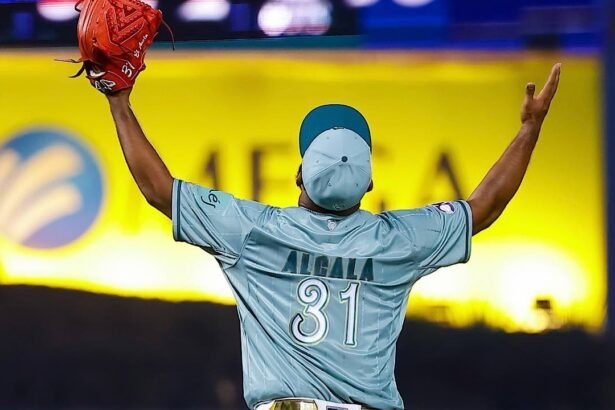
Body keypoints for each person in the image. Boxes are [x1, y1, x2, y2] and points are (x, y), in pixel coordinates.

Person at [105, 64, 560, 410]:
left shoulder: (254, 232)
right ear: (368, 184)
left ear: (299, 175)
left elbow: (158, 189)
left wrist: (119, 100)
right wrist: (529, 130)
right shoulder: (397, 241)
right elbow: (484, 207)